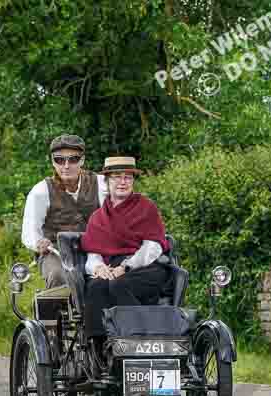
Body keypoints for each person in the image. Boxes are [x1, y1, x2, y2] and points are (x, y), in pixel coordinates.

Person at [80, 156, 172, 347]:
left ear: (133, 181)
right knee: (96, 287)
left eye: (128, 177)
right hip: (111, 267)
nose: (122, 182)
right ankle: (99, 346)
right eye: (116, 177)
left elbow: (152, 247)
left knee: (117, 285)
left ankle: (140, 340)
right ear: (107, 181)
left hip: (145, 267)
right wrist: (98, 268)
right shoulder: (97, 217)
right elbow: (93, 254)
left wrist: (126, 266)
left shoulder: (146, 207)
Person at [21, 134, 108, 288]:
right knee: (58, 276)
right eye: (59, 160)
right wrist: (38, 243)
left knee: (112, 275)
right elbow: (29, 231)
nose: (66, 166)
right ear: (52, 162)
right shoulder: (41, 191)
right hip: (56, 251)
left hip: (95, 248)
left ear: (82, 160)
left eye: (73, 159)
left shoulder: (101, 184)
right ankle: (59, 312)